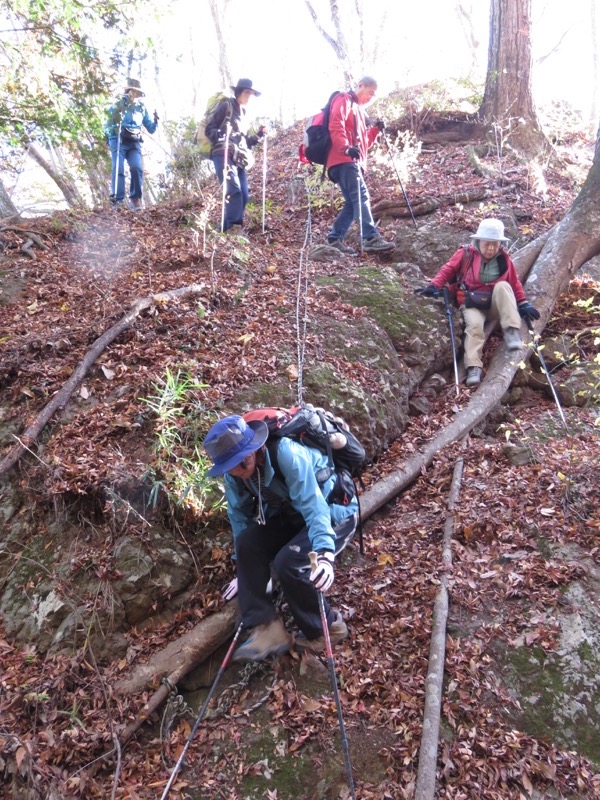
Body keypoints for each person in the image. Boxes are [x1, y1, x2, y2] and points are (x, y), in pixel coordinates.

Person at [203, 415, 358, 661]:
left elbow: (314, 507)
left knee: (288, 562)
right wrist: (244, 572)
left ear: (252, 451)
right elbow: (239, 519)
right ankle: (267, 629)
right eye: (229, 467)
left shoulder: (287, 454)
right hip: (291, 517)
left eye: (239, 463)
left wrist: (326, 554)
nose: (235, 472)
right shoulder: (234, 475)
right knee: (247, 544)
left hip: (333, 512)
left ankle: (328, 628)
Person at [415, 218, 540, 387]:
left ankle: (511, 331)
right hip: (470, 301)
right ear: (478, 241)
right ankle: (473, 367)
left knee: (503, 286)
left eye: (495, 244)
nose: (491, 248)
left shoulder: (504, 259)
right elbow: (448, 269)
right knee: (474, 327)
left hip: (494, 305)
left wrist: (523, 303)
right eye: (487, 243)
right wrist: (434, 285)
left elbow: (514, 282)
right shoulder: (466, 253)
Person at [326, 75, 396, 255]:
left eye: (374, 95)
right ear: (361, 85)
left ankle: (335, 239)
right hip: (344, 159)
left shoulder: (358, 110)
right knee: (361, 195)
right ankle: (371, 237)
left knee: (352, 202)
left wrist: (375, 130)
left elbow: (363, 143)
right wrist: (346, 148)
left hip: (348, 160)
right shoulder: (344, 100)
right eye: (370, 92)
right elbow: (336, 124)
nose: (371, 97)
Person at [206, 78, 265, 233]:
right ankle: (234, 228)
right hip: (222, 153)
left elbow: (244, 140)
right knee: (234, 190)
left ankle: (224, 229)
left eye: (251, 94)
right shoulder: (226, 106)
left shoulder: (243, 113)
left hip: (239, 157)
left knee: (244, 195)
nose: (249, 96)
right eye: (247, 92)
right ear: (239, 92)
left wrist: (258, 136)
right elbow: (209, 128)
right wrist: (220, 133)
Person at [105, 78, 158, 210]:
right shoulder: (118, 104)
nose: (138, 95)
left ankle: (135, 199)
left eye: (139, 93)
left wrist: (156, 121)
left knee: (136, 168)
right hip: (118, 139)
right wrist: (113, 133)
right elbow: (108, 123)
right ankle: (117, 200)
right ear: (129, 90)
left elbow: (151, 128)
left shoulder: (141, 108)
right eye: (136, 92)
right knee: (118, 168)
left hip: (134, 141)